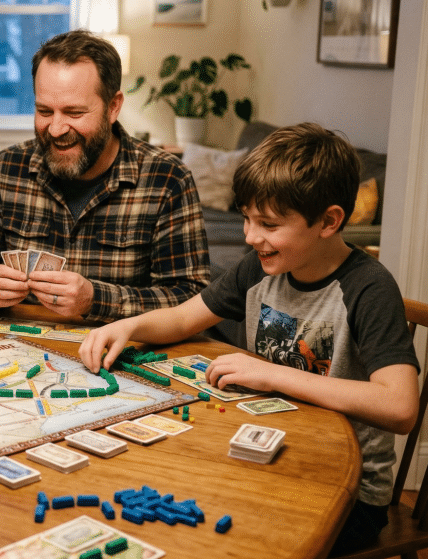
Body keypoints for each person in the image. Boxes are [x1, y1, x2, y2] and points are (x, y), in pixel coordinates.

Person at [79, 123, 420, 553]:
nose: (250, 236)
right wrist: (127, 327)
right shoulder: (258, 266)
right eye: (246, 218)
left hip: (349, 492)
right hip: (271, 450)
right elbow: (185, 318)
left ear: (329, 221)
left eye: (269, 224)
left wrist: (272, 374)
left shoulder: (369, 288)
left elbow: (401, 406)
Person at [0, 29, 209, 323]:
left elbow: (192, 299)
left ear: (113, 107)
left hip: (119, 355)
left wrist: (96, 300)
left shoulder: (168, 179)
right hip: (20, 353)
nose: (56, 129)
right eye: (45, 111)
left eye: (73, 113)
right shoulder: (7, 168)